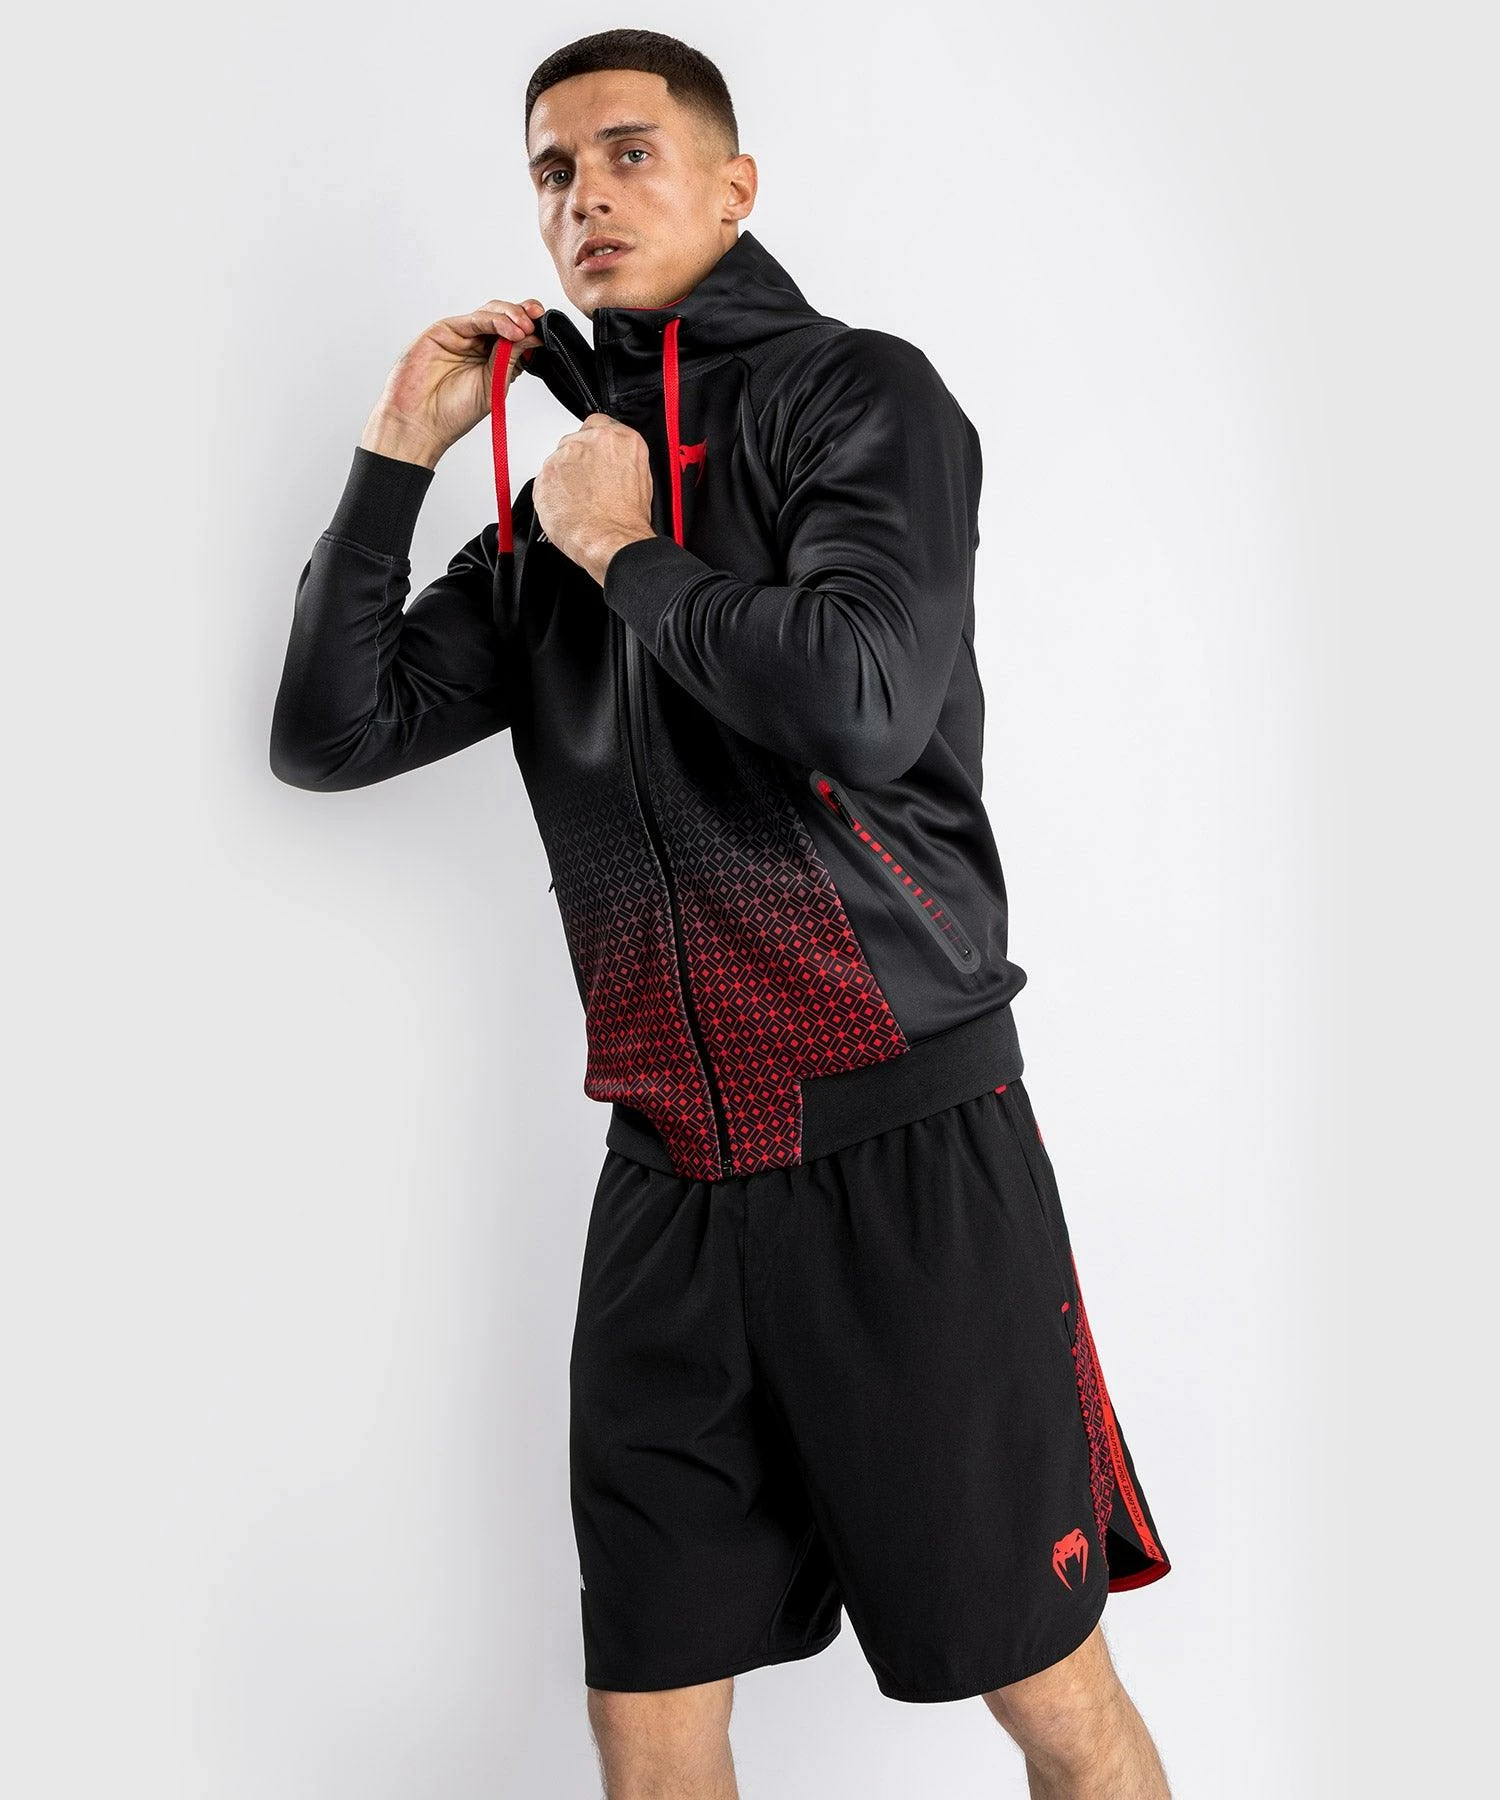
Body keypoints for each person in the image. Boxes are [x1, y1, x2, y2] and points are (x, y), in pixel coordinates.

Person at [270, 26, 1175, 1798]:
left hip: (906, 1154)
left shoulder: (858, 400)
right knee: (649, 1718)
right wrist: (396, 457)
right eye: (552, 172)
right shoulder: (558, 509)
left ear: (733, 184)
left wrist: (627, 553)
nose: (585, 198)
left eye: (628, 152)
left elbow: (863, 699)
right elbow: (331, 733)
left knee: (1051, 1699)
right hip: (668, 1183)